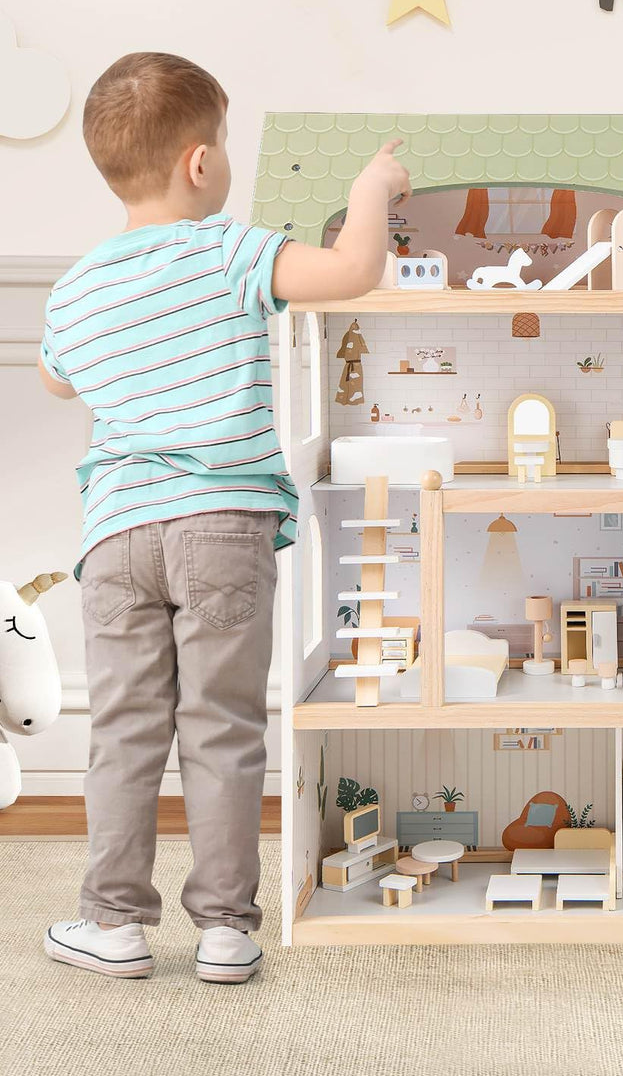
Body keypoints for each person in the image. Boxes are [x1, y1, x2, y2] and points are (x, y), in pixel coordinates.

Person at [37, 52, 410, 982]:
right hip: (222, 529)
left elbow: (55, 374)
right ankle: (224, 931)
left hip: (117, 534)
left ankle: (115, 923)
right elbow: (356, 269)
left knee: (123, 733)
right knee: (224, 727)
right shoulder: (234, 249)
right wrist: (373, 188)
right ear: (200, 163)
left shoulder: (75, 291)